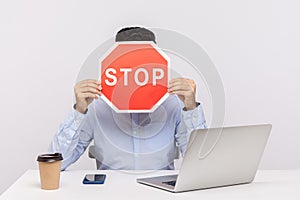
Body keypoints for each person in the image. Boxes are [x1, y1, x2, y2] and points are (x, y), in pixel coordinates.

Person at [50, 27, 207, 170]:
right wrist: (79, 111)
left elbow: (201, 165)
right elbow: (57, 163)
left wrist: (191, 108)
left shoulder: (173, 103)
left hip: (161, 192)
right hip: (110, 191)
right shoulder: (97, 105)